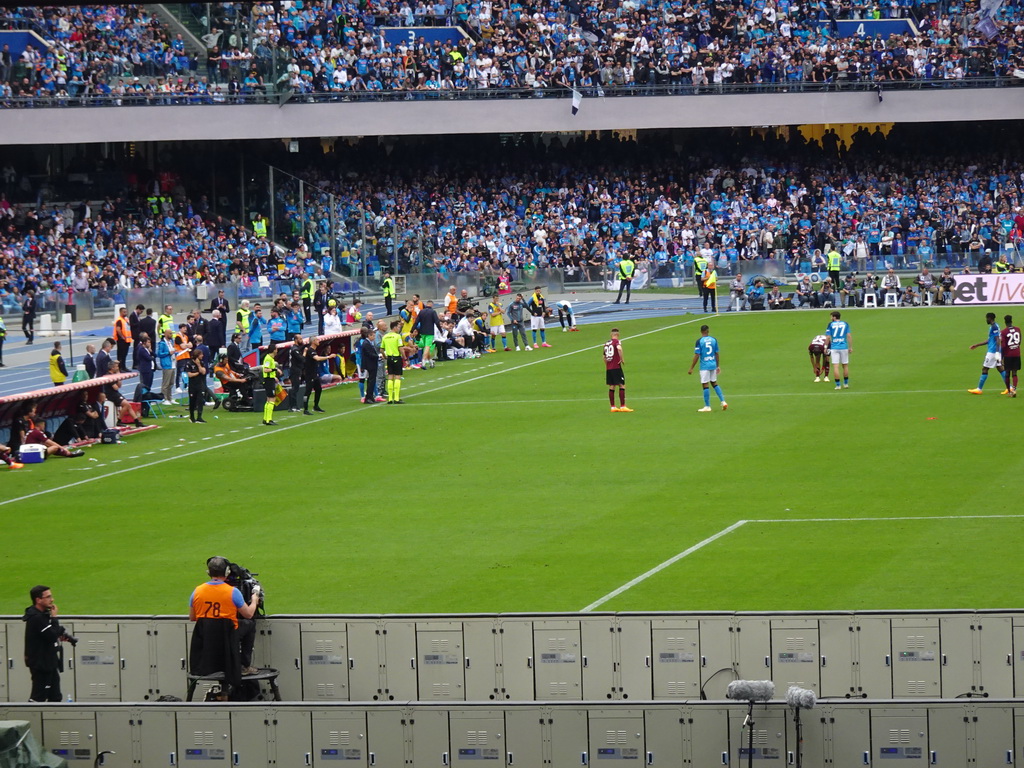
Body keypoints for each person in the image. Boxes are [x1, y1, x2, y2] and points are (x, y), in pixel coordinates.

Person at [189, 557, 261, 680]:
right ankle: (244, 665)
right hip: (229, 635)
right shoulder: (232, 592)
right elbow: (248, 614)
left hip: (206, 637)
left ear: (208, 573)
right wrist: (254, 600)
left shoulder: (197, 591)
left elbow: (193, 617)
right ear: (227, 572)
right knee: (249, 624)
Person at [23, 585, 74, 702]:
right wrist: (55, 617)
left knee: (55, 696)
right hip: (41, 665)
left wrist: (60, 634)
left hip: (49, 663)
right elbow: (51, 635)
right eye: (48, 597)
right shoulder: (36, 617)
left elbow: (50, 633)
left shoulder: (43, 615)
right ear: (38, 600)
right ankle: (32, 718)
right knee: (38, 697)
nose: (52, 599)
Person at [687, 324, 727, 412]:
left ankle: (707, 406)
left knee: (705, 384)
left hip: (704, 366)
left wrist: (691, 368)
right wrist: (718, 366)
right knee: (714, 383)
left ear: (701, 332)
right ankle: (723, 401)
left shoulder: (699, 341)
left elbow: (697, 355)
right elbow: (716, 353)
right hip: (713, 364)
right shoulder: (714, 340)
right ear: (708, 331)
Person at [968, 312, 1007, 395]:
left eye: (987, 318)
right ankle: (1009, 387)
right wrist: (977, 345)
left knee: (985, 369)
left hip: (993, 352)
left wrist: (996, 352)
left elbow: (997, 340)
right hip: (996, 351)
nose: (986, 320)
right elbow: (990, 340)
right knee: (1000, 368)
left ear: (990, 318)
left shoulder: (994, 327)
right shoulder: (995, 326)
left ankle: (979, 389)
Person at [302, 336, 338, 414]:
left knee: (318, 389)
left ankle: (316, 406)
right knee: (308, 391)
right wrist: (329, 356)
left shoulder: (313, 350)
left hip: (315, 374)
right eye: (317, 340)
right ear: (313, 341)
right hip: (310, 374)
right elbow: (317, 358)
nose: (319, 341)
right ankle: (305, 409)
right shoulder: (310, 350)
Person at [604, 328, 632, 412]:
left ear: (611, 334)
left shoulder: (606, 344)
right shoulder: (617, 342)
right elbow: (619, 348)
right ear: (617, 335)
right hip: (616, 367)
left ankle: (613, 407)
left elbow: (604, 357)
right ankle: (623, 406)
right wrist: (622, 359)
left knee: (612, 386)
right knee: (621, 385)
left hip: (609, 368)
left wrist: (607, 365)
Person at [826, 310, 852, 390]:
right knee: (845, 365)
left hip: (834, 347)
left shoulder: (830, 324)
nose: (831, 318)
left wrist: (826, 347)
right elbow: (849, 336)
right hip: (844, 346)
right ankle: (846, 384)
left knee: (836, 366)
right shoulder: (845, 324)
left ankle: (838, 385)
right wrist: (850, 347)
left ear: (834, 317)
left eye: (831, 316)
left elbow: (828, 337)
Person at [381, 320, 405, 404]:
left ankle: (390, 399)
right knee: (397, 376)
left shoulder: (385, 336)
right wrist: (405, 357)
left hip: (389, 359)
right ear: (394, 327)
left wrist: (384, 356)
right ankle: (397, 398)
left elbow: (381, 349)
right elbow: (400, 348)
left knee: (390, 376)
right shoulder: (397, 336)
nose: (399, 329)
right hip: (397, 358)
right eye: (398, 327)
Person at [356, 327, 380, 404]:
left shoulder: (367, 343)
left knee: (371, 380)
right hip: (369, 365)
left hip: (370, 364)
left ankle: (371, 397)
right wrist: (379, 356)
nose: (374, 337)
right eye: (373, 335)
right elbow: (369, 354)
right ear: (369, 335)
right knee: (369, 380)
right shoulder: (365, 343)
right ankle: (367, 397)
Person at [416, 300, 442, 367]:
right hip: (430, 332)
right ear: (432, 305)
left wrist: (412, 330)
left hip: (422, 332)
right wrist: (441, 330)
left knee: (426, 347)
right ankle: (423, 362)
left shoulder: (421, 311)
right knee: (427, 347)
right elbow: (437, 322)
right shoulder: (433, 312)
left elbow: (416, 321)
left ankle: (430, 361)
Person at [184, 349, 208, 423]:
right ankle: (192, 417)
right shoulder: (189, 363)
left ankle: (199, 417)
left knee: (200, 401)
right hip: (192, 386)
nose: (202, 356)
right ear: (197, 355)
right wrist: (198, 373)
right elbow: (190, 375)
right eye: (201, 354)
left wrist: (198, 365)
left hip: (200, 385)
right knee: (192, 402)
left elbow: (203, 372)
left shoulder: (201, 363)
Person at [261, 341, 280, 425]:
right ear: (273, 350)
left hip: (270, 379)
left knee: (269, 399)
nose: (277, 350)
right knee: (272, 398)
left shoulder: (270, 358)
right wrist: (275, 369)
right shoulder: (268, 358)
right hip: (268, 380)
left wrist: (274, 377)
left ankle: (266, 418)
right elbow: (265, 369)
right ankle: (269, 419)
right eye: (276, 349)